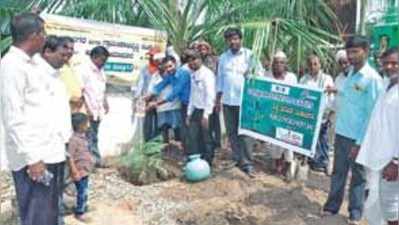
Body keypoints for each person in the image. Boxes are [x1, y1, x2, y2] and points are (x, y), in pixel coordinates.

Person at [0, 13, 66, 225]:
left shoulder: (34, 64)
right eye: (43, 33)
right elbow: (14, 117)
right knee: (37, 219)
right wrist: (33, 158)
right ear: (34, 35)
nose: (46, 38)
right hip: (35, 159)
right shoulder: (11, 66)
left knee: (49, 216)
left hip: (50, 152)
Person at [321, 36, 384, 225]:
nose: (351, 56)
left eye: (355, 52)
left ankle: (355, 213)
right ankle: (332, 207)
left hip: (358, 137)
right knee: (338, 172)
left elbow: (372, 114)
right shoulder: (350, 74)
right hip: (341, 132)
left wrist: (359, 142)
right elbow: (350, 97)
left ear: (366, 51)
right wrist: (336, 91)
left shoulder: (372, 79)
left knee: (358, 177)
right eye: (349, 52)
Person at [34, 35, 74, 225]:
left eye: (69, 55)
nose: (66, 59)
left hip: (57, 148)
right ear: (47, 52)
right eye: (63, 54)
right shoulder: (36, 75)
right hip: (43, 152)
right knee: (41, 201)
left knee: (53, 197)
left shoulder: (56, 76)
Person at [356, 47, 399, 225]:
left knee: (391, 206)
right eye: (386, 62)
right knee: (373, 201)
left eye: (395, 63)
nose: (389, 66)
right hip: (376, 155)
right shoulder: (386, 84)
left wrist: (396, 162)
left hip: (391, 161)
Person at [216, 28, 263, 176]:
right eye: (230, 39)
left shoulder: (250, 55)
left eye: (236, 39)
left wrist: (251, 74)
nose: (233, 42)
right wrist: (218, 99)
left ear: (241, 40)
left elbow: (260, 75)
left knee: (246, 133)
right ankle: (237, 158)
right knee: (232, 132)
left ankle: (248, 163)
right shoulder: (223, 57)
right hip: (228, 100)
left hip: (245, 100)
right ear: (227, 41)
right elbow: (220, 79)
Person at [145, 51, 191, 150]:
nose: (168, 69)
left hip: (190, 105)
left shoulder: (183, 74)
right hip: (183, 105)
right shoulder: (170, 75)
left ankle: (190, 153)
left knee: (183, 130)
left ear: (175, 64)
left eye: (170, 66)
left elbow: (174, 94)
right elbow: (160, 85)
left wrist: (156, 103)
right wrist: (147, 97)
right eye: (166, 67)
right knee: (171, 128)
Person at [264, 51, 298, 178]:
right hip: (271, 113)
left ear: (286, 64)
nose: (278, 65)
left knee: (287, 140)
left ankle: (289, 165)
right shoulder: (267, 75)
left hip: (287, 113)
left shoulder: (292, 77)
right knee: (273, 140)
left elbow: (296, 95)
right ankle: (278, 163)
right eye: (276, 62)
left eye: (281, 63)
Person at [300, 54, 335, 173]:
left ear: (320, 64)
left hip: (323, 114)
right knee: (310, 137)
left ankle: (323, 162)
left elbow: (330, 97)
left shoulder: (327, 78)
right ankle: (312, 161)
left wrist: (328, 113)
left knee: (322, 138)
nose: (313, 66)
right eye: (310, 64)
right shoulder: (304, 79)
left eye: (315, 64)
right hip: (308, 114)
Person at [77, 46, 110, 167]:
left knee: (94, 135)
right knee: (87, 137)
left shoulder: (101, 71)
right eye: (102, 60)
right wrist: (86, 109)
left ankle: (94, 160)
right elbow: (80, 91)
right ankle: (89, 161)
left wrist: (105, 103)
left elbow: (102, 90)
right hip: (87, 110)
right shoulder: (83, 70)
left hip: (97, 110)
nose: (103, 63)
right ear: (94, 57)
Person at [185, 50, 216, 166]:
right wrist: (189, 113)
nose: (192, 62)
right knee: (192, 137)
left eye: (194, 59)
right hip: (196, 110)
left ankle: (208, 162)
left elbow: (210, 95)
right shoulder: (193, 74)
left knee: (207, 138)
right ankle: (195, 161)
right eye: (189, 60)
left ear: (200, 60)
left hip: (206, 111)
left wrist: (206, 115)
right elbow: (192, 95)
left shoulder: (207, 74)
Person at [148, 56, 182, 144]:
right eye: (158, 63)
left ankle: (178, 152)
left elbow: (174, 94)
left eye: (160, 62)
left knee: (177, 130)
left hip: (174, 106)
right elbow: (151, 91)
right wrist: (145, 100)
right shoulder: (155, 76)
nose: (160, 65)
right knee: (164, 130)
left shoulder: (176, 75)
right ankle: (166, 152)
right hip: (161, 108)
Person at [68, 113, 95, 223]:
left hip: (85, 171)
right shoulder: (74, 140)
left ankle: (83, 206)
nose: (88, 126)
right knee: (81, 192)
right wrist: (74, 171)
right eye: (86, 124)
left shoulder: (83, 137)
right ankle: (80, 212)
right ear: (80, 125)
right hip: (79, 172)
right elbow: (69, 157)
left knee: (84, 190)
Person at [134, 47, 164, 141]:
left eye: (153, 56)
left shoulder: (163, 70)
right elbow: (140, 83)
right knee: (147, 121)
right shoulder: (145, 69)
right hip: (147, 99)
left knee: (160, 122)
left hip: (160, 100)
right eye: (150, 56)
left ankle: (157, 142)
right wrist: (138, 97)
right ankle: (147, 142)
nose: (151, 58)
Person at [197, 41, 222, 148]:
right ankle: (208, 139)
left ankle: (217, 140)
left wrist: (218, 96)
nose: (202, 50)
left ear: (208, 49)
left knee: (215, 117)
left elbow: (219, 75)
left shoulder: (216, 59)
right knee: (206, 117)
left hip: (214, 91)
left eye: (204, 48)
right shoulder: (198, 61)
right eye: (200, 48)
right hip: (202, 93)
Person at [58, 36, 85, 113]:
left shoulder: (74, 65)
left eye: (71, 49)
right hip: (62, 110)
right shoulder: (55, 66)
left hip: (77, 111)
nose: (69, 51)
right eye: (65, 48)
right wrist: (70, 98)